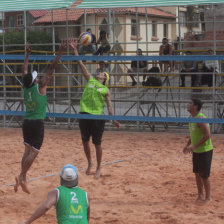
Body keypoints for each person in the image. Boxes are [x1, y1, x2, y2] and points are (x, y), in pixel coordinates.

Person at [14, 41, 66, 194]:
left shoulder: (26, 88)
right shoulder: (40, 86)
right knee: (34, 152)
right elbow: (52, 68)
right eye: (36, 77)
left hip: (27, 122)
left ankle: (22, 176)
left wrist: (27, 55)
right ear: (35, 81)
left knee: (27, 150)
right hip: (37, 123)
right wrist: (60, 52)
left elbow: (24, 72)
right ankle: (22, 176)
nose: (38, 77)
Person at [69, 38, 121, 179]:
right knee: (84, 141)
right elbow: (80, 64)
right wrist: (74, 49)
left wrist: (114, 120)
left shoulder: (105, 89)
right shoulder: (91, 79)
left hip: (98, 117)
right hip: (84, 114)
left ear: (105, 78)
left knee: (97, 143)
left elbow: (110, 107)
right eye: (100, 72)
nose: (100, 72)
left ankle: (98, 167)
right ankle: (90, 163)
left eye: (103, 73)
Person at [19, 164, 90, 224]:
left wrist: (27, 222)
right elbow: (87, 216)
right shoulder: (85, 195)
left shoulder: (56, 192)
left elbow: (46, 206)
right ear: (76, 178)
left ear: (61, 178)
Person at [183, 98, 213, 202]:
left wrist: (194, 146)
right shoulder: (192, 118)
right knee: (197, 173)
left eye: (190, 103)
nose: (188, 104)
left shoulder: (200, 118)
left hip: (205, 150)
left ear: (195, 106)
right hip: (196, 151)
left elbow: (208, 135)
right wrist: (187, 145)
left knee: (204, 176)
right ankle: (200, 195)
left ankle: (208, 197)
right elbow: (193, 134)